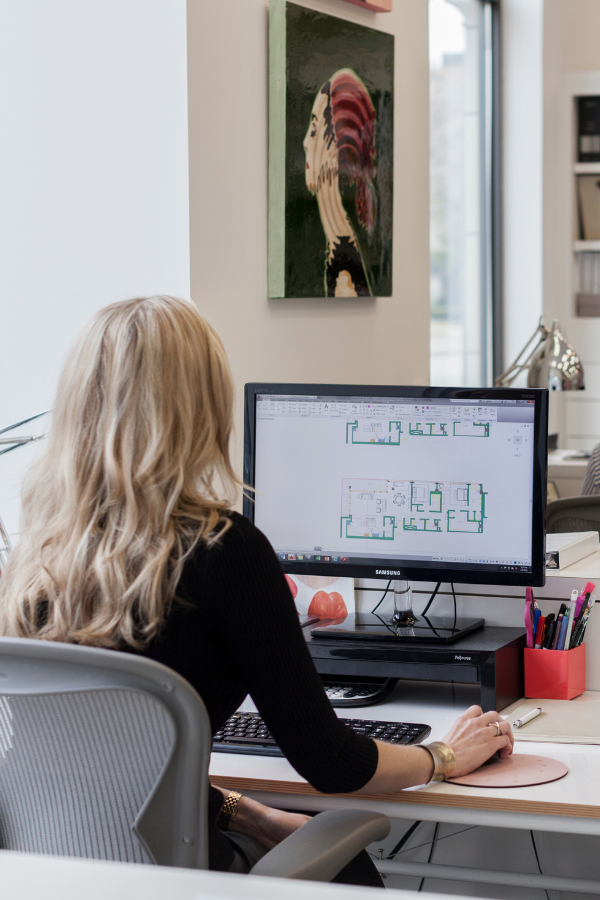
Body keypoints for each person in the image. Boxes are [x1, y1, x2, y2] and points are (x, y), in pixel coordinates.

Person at [0, 296, 513, 883]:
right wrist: (443, 756)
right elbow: (334, 764)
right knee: (349, 866)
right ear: (201, 407)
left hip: (40, 873)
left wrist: (252, 815)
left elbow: (107, 767)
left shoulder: (34, 560)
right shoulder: (224, 550)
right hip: (171, 877)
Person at [303, 69, 376, 297]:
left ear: (334, 149)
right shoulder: (342, 253)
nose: (306, 141)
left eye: (314, 130)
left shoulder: (344, 274)